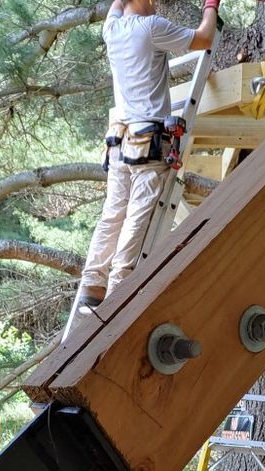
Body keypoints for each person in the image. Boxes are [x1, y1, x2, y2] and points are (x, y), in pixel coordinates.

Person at [76, 0, 219, 312]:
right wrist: (211, 4)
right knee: (137, 216)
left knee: (113, 213)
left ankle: (93, 284)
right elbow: (205, 37)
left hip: (120, 140)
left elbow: (116, 5)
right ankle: (117, 289)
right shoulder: (151, 28)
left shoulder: (110, 27)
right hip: (148, 143)